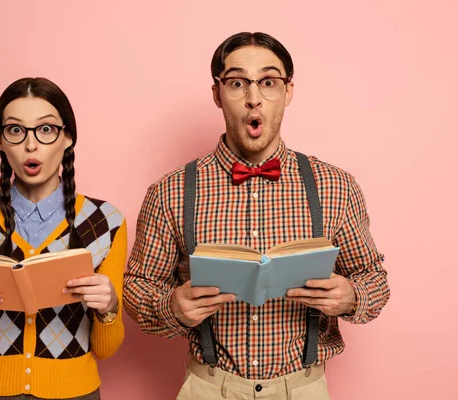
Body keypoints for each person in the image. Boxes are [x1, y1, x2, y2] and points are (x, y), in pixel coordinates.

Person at [123, 32, 390, 399]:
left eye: (268, 82)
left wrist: (351, 297)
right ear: (217, 93)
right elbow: (136, 288)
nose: (253, 99)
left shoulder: (335, 186)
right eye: (237, 83)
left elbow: (374, 279)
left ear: (288, 91)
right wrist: (171, 306)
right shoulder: (170, 191)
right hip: (207, 387)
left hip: (304, 388)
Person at [0, 77, 126, 400]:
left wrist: (109, 308)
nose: (30, 145)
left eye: (45, 129)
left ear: (68, 137)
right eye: (15, 130)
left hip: (75, 393)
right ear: (0, 140)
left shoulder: (105, 221)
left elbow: (106, 349)